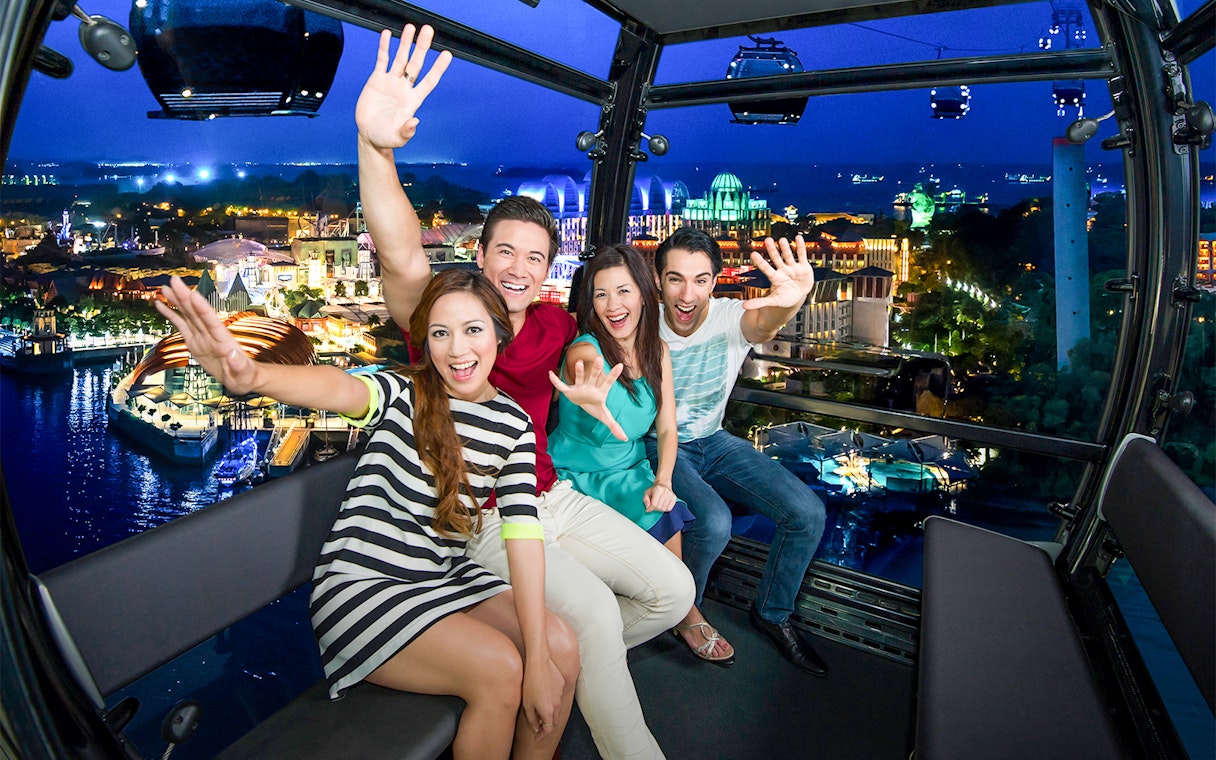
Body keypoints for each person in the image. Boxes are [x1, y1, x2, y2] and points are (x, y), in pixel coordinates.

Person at [357, 24, 694, 760]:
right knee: (599, 618)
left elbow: (619, 317)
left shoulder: (549, 322)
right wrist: (377, 150)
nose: (516, 267)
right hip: (484, 520)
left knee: (674, 592)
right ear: (478, 256)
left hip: (552, 496)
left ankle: (568, 665)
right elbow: (399, 250)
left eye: (534, 256)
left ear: (549, 268)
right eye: (503, 250)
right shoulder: (445, 318)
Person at [154, 271, 580, 760]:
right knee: (502, 669)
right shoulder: (405, 394)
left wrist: (543, 658)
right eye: (440, 333)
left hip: (441, 578)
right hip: (363, 586)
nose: (457, 350)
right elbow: (340, 387)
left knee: (562, 647)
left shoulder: (514, 423)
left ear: (500, 333)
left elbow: (523, 536)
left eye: (473, 329)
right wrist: (254, 376)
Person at [646, 227, 830, 677]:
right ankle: (683, 613)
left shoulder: (731, 316)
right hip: (659, 443)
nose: (687, 295)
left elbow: (763, 323)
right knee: (712, 522)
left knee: (807, 514)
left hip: (714, 439)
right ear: (657, 281)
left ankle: (771, 613)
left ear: (716, 279)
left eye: (701, 280)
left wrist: (792, 299)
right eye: (675, 279)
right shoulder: (641, 323)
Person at [548, 245, 734, 667]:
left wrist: (664, 479)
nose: (613, 305)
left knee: (667, 512)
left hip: (629, 466)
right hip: (575, 473)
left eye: (623, 291)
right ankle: (676, 617)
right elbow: (583, 364)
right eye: (600, 295)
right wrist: (587, 386)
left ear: (644, 292)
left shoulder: (657, 351)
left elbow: (668, 427)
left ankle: (683, 613)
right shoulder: (587, 348)